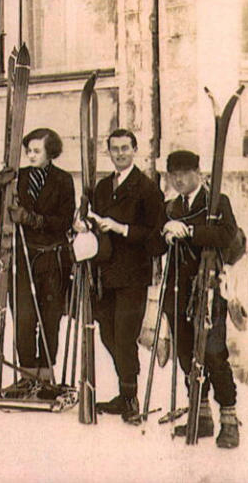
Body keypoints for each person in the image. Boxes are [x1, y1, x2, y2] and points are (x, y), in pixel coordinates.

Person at [154, 150, 240, 448]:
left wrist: (189, 231)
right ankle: (201, 415)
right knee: (186, 352)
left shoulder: (216, 201)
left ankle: (229, 418)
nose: (179, 179)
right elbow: (154, 245)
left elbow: (228, 235)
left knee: (213, 352)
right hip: (177, 288)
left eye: (184, 173)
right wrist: (166, 232)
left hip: (207, 288)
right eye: (173, 174)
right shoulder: (170, 207)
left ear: (198, 173)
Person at [80, 129, 164, 421]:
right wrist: (86, 226)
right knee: (107, 334)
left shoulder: (147, 188)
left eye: (125, 148)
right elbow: (94, 219)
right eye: (114, 149)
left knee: (125, 337)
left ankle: (130, 399)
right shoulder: (103, 187)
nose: (119, 154)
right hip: (104, 272)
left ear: (135, 150)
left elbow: (156, 235)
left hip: (132, 273)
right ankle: (124, 391)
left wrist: (121, 228)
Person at [6, 127, 75, 394]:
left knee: (49, 317)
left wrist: (33, 219)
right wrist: (0, 185)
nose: (31, 156)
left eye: (37, 151)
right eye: (28, 151)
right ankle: (26, 375)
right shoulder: (19, 178)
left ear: (50, 153)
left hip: (51, 258)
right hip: (24, 255)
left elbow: (64, 220)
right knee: (23, 317)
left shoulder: (62, 180)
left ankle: (45, 377)